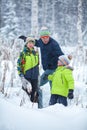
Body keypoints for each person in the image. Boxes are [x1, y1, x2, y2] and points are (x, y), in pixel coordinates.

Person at [35, 26, 64, 108]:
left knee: (37, 84)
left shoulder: (54, 44)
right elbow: (36, 43)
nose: (45, 39)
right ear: (41, 37)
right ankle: (55, 106)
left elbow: (61, 54)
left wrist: (65, 64)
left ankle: (43, 107)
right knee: (53, 87)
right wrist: (27, 39)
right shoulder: (41, 41)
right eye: (43, 37)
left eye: (46, 37)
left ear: (49, 36)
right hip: (47, 68)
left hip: (53, 69)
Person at [17, 37, 39, 103]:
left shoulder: (35, 53)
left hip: (35, 77)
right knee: (26, 93)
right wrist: (21, 75)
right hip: (27, 76)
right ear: (26, 44)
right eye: (29, 42)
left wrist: (38, 74)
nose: (30, 44)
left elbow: (37, 64)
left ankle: (34, 109)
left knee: (34, 94)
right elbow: (19, 64)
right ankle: (25, 108)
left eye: (32, 43)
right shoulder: (23, 53)